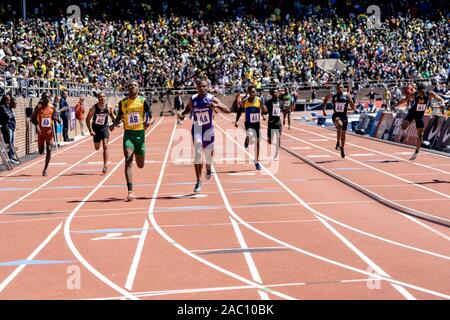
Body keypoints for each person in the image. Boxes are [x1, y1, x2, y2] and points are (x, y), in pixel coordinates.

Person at [179, 79, 230, 193]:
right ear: (196, 87)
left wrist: (216, 105)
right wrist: (182, 114)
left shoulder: (212, 98)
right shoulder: (193, 99)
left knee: (208, 155)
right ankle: (198, 181)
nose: (202, 88)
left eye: (204, 86)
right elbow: (188, 108)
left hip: (208, 129)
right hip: (197, 128)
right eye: (200, 86)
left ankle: (208, 166)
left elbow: (228, 110)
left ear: (207, 87)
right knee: (197, 152)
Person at [110, 81, 152, 201]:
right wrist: (114, 124)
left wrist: (147, 120)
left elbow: (149, 112)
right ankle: (130, 190)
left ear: (138, 88)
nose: (132, 87)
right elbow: (120, 116)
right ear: (128, 89)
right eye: (130, 86)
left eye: (135, 86)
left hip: (140, 134)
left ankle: (141, 154)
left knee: (140, 165)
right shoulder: (123, 102)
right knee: (128, 158)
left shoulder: (142, 101)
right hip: (128, 134)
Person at [392, 83, 445, 160]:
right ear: (418, 91)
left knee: (420, 135)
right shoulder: (415, 94)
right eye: (420, 92)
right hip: (412, 112)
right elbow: (405, 99)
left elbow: (441, 99)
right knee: (403, 126)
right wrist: (396, 105)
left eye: (423, 91)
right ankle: (404, 132)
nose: (422, 93)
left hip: (420, 116)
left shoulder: (430, 94)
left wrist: (442, 104)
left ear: (424, 90)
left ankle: (416, 152)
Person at [235, 85, 265, 170]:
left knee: (258, 142)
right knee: (251, 135)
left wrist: (264, 112)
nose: (253, 93)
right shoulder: (245, 101)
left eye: (254, 92)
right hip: (248, 123)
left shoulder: (259, 100)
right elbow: (239, 111)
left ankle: (256, 161)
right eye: (251, 92)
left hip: (256, 123)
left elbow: (264, 111)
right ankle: (247, 138)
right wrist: (236, 121)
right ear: (248, 92)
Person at [31, 92, 60, 176]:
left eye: (48, 97)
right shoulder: (38, 107)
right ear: (42, 98)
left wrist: (57, 119)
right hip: (40, 132)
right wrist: (37, 127)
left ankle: (45, 170)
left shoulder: (52, 107)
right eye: (45, 97)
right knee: (41, 151)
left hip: (49, 132)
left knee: (49, 149)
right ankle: (41, 148)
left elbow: (55, 117)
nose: (47, 99)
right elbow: (33, 119)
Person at [322, 83, 355, 158]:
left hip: (344, 116)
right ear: (336, 88)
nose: (340, 88)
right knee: (340, 125)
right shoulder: (333, 95)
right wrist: (324, 109)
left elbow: (353, 106)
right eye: (339, 87)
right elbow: (326, 99)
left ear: (343, 88)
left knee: (343, 135)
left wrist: (350, 99)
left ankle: (342, 148)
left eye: (341, 87)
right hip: (336, 115)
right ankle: (337, 142)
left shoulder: (346, 95)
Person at [85, 92, 115, 174]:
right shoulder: (94, 108)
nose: (102, 98)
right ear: (98, 98)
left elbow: (113, 116)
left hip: (104, 127)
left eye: (103, 96)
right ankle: (96, 141)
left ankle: (105, 166)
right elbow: (87, 119)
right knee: (97, 148)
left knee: (105, 145)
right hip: (96, 129)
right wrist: (90, 130)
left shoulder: (109, 107)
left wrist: (115, 123)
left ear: (105, 97)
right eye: (100, 96)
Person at [262, 88, 282, 160]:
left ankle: (276, 154)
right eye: (274, 93)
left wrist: (288, 109)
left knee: (278, 137)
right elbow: (264, 112)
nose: (275, 94)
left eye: (276, 92)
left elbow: (283, 109)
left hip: (278, 122)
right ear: (271, 94)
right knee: (270, 141)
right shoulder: (268, 102)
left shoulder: (280, 102)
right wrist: (264, 115)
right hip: (271, 123)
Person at [0, 94, 19, 164]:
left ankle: (11, 156)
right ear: (4, 100)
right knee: (9, 142)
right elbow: (8, 116)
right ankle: (9, 157)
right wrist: (9, 115)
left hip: (12, 126)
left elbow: (10, 115)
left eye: (9, 99)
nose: (9, 101)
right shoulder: (2, 107)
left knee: (12, 142)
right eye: (7, 99)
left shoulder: (8, 107)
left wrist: (10, 115)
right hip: (7, 126)